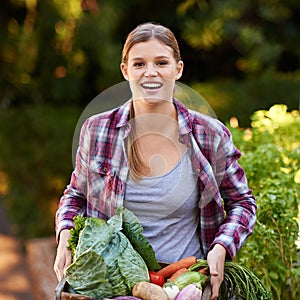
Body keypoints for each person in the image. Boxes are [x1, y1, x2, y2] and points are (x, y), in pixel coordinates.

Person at [54, 22, 256, 299]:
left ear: (178, 69)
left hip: (183, 285)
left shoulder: (209, 135)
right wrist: (65, 233)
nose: (150, 72)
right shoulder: (97, 130)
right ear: (125, 71)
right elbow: (76, 195)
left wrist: (222, 247)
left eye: (161, 62)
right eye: (139, 64)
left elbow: (243, 203)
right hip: (110, 287)